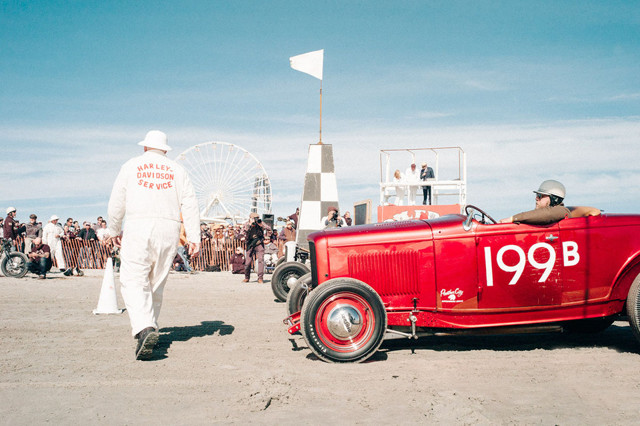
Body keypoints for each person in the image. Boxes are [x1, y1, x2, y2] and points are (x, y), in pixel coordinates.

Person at [107, 130, 200, 360]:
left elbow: (117, 199)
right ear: (166, 150)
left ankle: (144, 328)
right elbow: (190, 204)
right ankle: (150, 327)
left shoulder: (131, 165)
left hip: (139, 224)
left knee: (133, 279)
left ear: (145, 147)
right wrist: (194, 237)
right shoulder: (178, 170)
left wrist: (113, 229)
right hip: (169, 228)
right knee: (156, 282)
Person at [499, 180, 571, 225]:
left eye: (540, 196)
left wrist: (512, 219)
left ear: (554, 199)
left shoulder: (562, 211)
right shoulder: (538, 218)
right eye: (537, 195)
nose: (536, 198)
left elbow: (547, 214)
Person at [242, 212, 271, 283]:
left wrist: (261, 225)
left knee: (261, 260)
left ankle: (260, 278)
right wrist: (250, 225)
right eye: (255, 218)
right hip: (250, 244)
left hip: (259, 243)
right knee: (248, 262)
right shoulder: (246, 224)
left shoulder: (260, 222)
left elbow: (269, 229)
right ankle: (247, 277)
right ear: (250, 218)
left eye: (257, 218)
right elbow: (242, 233)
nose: (256, 219)